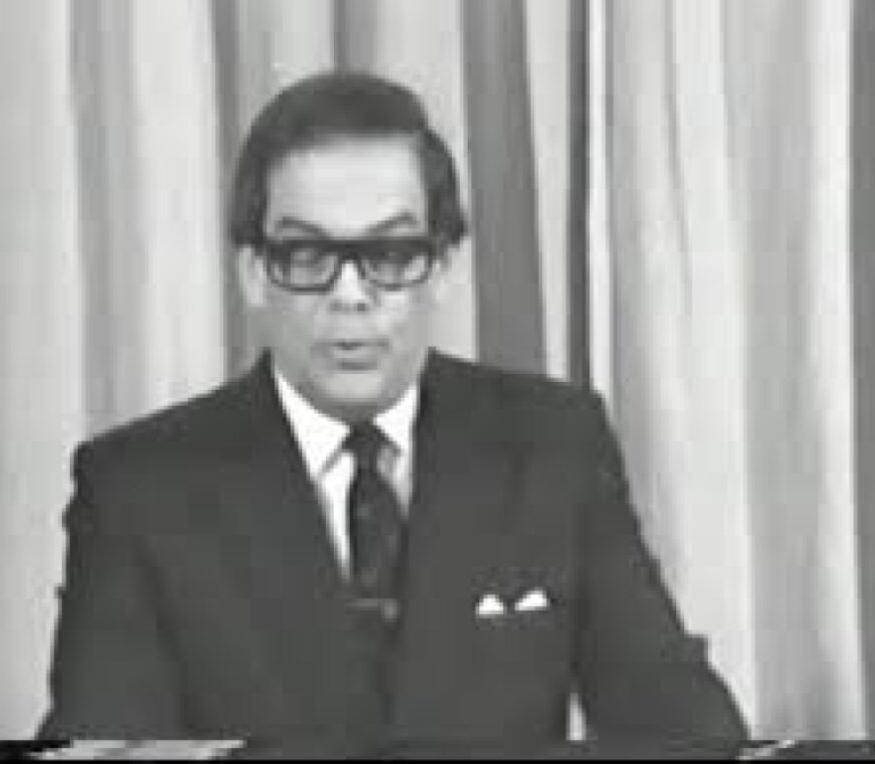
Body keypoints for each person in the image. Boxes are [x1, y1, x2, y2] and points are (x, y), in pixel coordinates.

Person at [39, 71, 747, 754]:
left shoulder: (553, 445)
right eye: (307, 254)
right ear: (253, 272)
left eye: (391, 253)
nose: (351, 295)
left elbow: (681, 720)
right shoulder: (139, 488)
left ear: (442, 266)